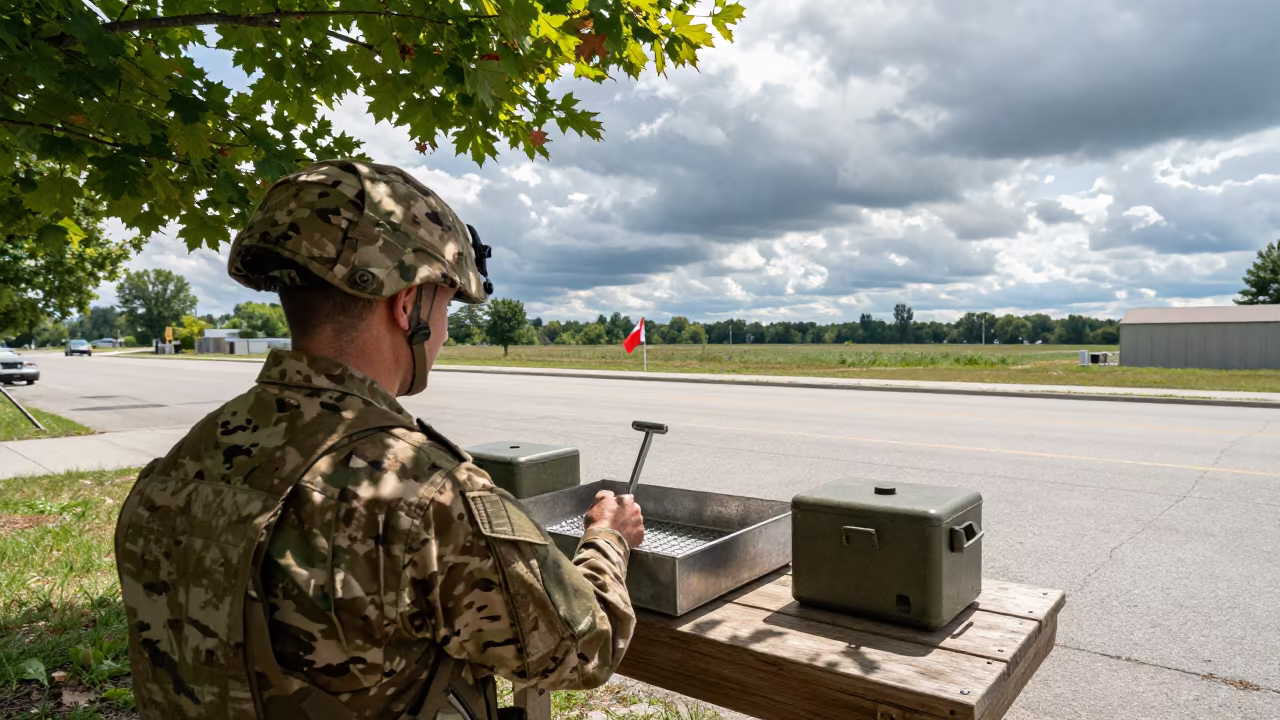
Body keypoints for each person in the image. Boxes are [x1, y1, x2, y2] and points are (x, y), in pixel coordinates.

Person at [114, 160, 644, 720]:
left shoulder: (191, 454)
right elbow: (583, 647)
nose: (443, 330)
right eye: (444, 306)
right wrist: (609, 539)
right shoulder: (422, 490)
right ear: (408, 304)